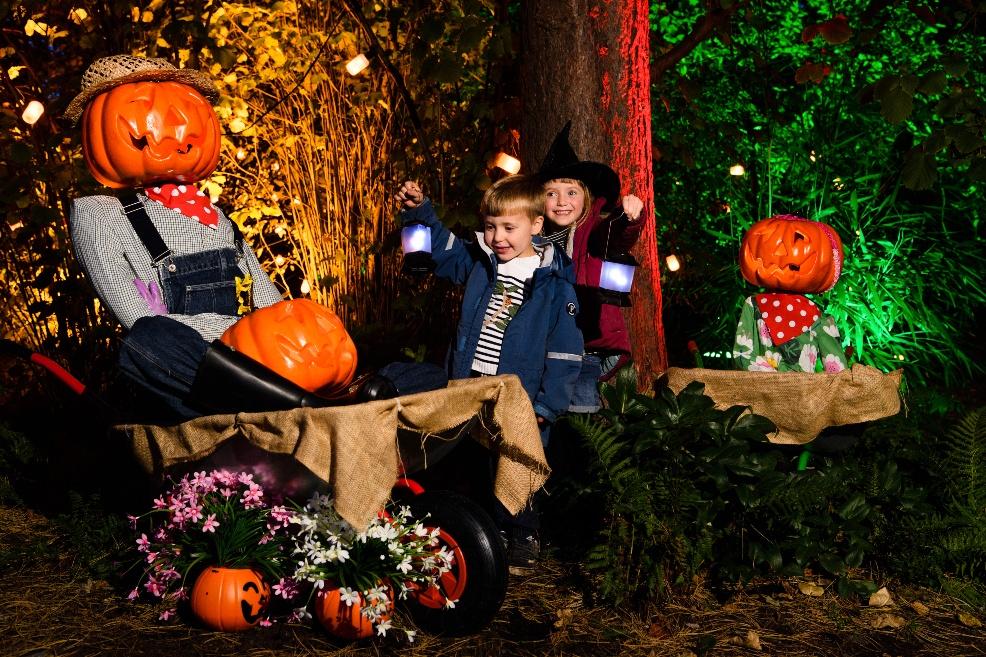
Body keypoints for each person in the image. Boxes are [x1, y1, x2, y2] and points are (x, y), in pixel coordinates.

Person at [65, 55, 333, 422]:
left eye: (189, 108)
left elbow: (269, 303)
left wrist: (301, 327)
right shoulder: (100, 214)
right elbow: (138, 318)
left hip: (258, 365)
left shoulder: (217, 216)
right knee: (146, 341)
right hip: (196, 375)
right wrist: (242, 334)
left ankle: (313, 401)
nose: (178, 128)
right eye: (146, 110)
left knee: (393, 364)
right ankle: (292, 409)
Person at [395, 175, 583, 569]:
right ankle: (483, 530)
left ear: (535, 225)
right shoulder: (482, 264)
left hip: (522, 396)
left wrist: (548, 405)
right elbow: (443, 248)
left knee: (515, 461)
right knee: (473, 459)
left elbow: (565, 353)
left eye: (509, 228)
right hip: (471, 385)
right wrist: (420, 210)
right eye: (491, 226)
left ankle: (523, 532)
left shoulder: (552, 285)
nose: (498, 237)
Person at [536, 121, 645, 413]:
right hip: (543, 346)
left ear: (586, 198)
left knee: (582, 416)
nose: (561, 202)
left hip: (587, 346)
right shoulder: (534, 238)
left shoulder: (593, 230)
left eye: (571, 192)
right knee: (543, 414)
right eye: (551, 193)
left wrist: (627, 216)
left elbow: (615, 236)